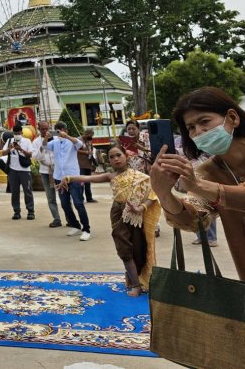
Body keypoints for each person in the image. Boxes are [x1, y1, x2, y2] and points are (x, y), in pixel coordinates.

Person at [150, 86, 245, 292]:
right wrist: (164, 194)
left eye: (204, 122)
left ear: (232, 117)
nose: (198, 132)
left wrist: (201, 186)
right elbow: (194, 219)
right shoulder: (207, 171)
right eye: (191, 127)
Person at [62, 144, 161, 295]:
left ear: (126, 156)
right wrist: (69, 178)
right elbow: (89, 178)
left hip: (135, 215)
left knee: (138, 249)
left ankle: (136, 279)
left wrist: (141, 208)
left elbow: (153, 196)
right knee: (124, 249)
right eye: (111, 157)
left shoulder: (140, 177)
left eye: (118, 155)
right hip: (118, 214)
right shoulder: (111, 176)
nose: (115, 159)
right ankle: (135, 285)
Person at [49, 122, 92, 241]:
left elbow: (80, 144)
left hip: (73, 177)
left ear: (65, 130)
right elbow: (44, 147)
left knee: (78, 203)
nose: (59, 133)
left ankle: (86, 229)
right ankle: (75, 225)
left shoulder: (72, 141)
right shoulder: (54, 142)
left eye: (60, 130)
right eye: (56, 131)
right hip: (59, 176)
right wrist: (45, 137)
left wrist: (66, 136)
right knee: (64, 204)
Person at [2, 125, 35, 221]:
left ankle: (30, 211)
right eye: (15, 133)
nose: (17, 135)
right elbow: (3, 153)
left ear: (22, 132)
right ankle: (16, 212)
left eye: (18, 133)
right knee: (14, 192)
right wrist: (9, 148)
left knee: (27, 191)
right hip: (13, 170)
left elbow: (30, 154)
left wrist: (20, 149)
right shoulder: (9, 141)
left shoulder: (27, 141)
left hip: (25, 170)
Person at [32, 121, 62, 227]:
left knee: (64, 196)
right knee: (51, 197)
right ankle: (56, 219)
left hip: (59, 170)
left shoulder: (57, 138)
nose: (45, 131)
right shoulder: (36, 142)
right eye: (43, 129)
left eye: (47, 128)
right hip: (45, 171)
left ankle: (70, 218)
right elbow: (36, 157)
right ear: (39, 129)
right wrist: (44, 143)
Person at [77, 129, 98, 203]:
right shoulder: (78, 140)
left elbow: (91, 149)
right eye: (90, 135)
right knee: (81, 182)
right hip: (81, 164)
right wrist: (86, 152)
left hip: (88, 164)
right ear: (86, 134)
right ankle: (80, 198)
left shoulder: (89, 141)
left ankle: (89, 198)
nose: (91, 137)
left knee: (88, 182)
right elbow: (76, 150)